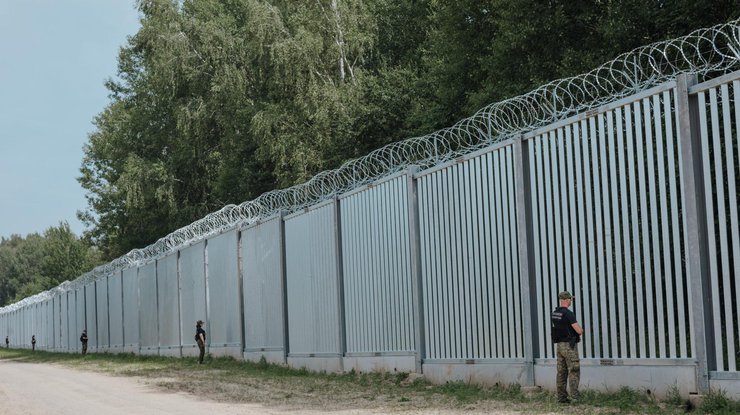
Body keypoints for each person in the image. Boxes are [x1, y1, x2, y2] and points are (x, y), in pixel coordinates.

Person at [551, 291, 583, 403]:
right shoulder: (569, 314)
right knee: (574, 370)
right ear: (566, 299)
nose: (571, 301)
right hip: (569, 346)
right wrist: (581, 330)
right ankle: (575, 397)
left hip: (559, 346)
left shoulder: (555, 313)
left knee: (561, 372)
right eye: (570, 298)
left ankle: (561, 398)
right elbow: (578, 330)